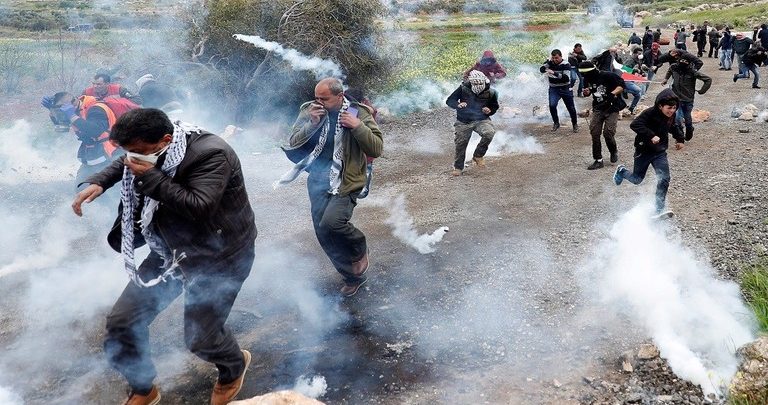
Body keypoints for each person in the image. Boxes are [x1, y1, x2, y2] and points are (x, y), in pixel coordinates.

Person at [71, 108, 257, 405]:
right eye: (128, 152)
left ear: (165, 141)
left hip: (219, 256)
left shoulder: (212, 154)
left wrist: (151, 177)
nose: (132, 159)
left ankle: (234, 367)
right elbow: (129, 159)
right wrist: (101, 181)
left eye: (138, 152)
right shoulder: (151, 147)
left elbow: (199, 206)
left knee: (201, 339)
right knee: (122, 324)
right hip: (169, 250)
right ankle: (144, 388)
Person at [280, 77, 383, 297]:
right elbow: (294, 141)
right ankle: (351, 276)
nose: (319, 102)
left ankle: (359, 248)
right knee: (322, 231)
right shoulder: (310, 110)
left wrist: (357, 126)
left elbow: (376, 148)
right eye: (316, 98)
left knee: (332, 222)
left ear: (340, 96)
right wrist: (312, 123)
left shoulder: (357, 112)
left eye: (324, 99)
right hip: (318, 178)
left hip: (348, 178)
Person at [613, 88, 685, 215]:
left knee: (664, 179)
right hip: (644, 151)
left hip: (660, 152)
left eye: (674, 108)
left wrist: (680, 139)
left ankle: (659, 209)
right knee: (637, 179)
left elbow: (673, 127)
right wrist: (651, 135)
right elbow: (635, 124)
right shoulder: (649, 113)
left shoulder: (671, 115)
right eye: (669, 108)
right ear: (660, 106)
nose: (672, 111)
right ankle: (622, 171)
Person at [40, 92, 121, 188]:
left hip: (111, 152)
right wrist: (52, 110)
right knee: (81, 186)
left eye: (62, 109)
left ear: (73, 103)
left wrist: (72, 116)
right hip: (93, 152)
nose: (63, 112)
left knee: (111, 187)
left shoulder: (96, 108)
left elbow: (95, 131)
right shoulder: (71, 109)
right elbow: (62, 125)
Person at [445, 70, 499, 175]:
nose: (478, 86)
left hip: (481, 119)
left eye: (480, 84)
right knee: (461, 143)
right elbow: (450, 100)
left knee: (489, 133)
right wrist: (458, 105)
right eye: (475, 84)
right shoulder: (463, 89)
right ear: (471, 82)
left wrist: (489, 110)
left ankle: (478, 155)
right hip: (464, 121)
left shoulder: (491, 92)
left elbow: (494, 106)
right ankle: (458, 167)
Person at [578, 61, 627, 170]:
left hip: (612, 107)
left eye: (585, 74)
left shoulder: (608, 75)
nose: (584, 76)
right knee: (594, 133)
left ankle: (613, 151)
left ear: (591, 71)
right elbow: (588, 92)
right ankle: (598, 160)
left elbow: (622, 85)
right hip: (598, 108)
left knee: (608, 133)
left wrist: (612, 93)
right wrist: (586, 92)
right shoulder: (587, 79)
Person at [662, 61, 711, 141]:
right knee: (677, 118)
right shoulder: (674, 67)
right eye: (682, 60)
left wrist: (702, 90)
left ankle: (689, 130)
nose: (683, 62)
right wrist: (666, 79)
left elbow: (708, 79)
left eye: (686, 61)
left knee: (687, 118)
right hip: (676, 99)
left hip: (688, 100)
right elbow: (670, 70)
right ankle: (680, 136)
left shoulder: (692, 72)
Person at [540, 49, 578, 133]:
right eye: (553, 58)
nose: (555, 60)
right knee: (552, 105)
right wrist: (548, 62)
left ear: (561, 56)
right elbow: (541, 70)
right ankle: (556, 123)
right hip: (554, 88)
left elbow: (566, 78)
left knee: (571, 107)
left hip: (565, 88)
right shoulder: (550, 63)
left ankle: (575, 124)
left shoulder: (566, 64)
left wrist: (554, 73)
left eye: (556, 58)